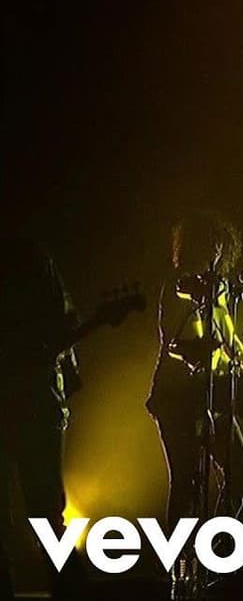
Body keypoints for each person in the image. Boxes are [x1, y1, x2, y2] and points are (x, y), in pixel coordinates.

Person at [146, 212, 243, 536]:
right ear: (194, 246)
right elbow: (184, 342)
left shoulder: (216, 289)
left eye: (220, 245)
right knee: (187, 481)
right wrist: (214, 351)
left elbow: (230, 340)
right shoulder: (178, 287)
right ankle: (180, 560)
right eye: (210, 244)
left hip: (210, 395)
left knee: (242, 473)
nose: (216, 251)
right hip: (175, 396)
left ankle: (213, 545)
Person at [0, 236, 87, 600]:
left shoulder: (29, 258)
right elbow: (63, 328)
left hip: (35, 403)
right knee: (47, 513)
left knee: (37, 514)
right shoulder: (33, 259)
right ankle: (70, 590)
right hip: (38, 403)